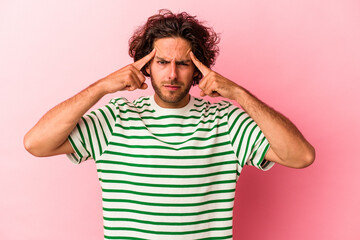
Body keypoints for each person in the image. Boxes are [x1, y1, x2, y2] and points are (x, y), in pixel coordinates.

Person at [24, 9, 315, 240]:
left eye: (184, 63)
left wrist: (238, 94)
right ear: (146, 66)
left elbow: (301, 156)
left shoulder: (226, 122)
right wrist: (102, 87)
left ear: (198, 69)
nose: (172, 74)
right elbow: (36, 143)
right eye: (162, 62)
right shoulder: (115, 118)